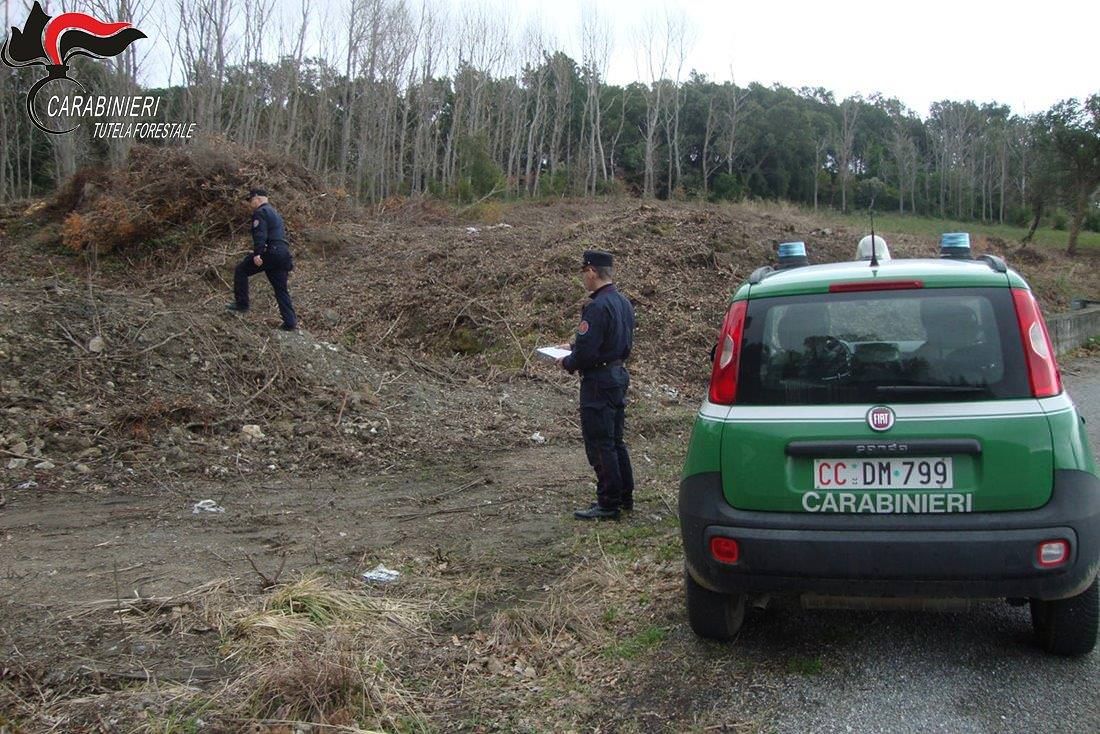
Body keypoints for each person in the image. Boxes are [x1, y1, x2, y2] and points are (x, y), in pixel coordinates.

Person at [557, 249, 636, 520]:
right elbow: (611, 339)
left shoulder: (596, 306)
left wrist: (568, 361)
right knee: (615, 440)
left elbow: (588, 352)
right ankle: (625, 496)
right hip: (617, 376)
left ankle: (608, 502)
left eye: (584, 272)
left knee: (600, 444)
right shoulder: (622, 302)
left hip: (598, 382)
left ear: (591, 271)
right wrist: (572, 345)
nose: (583, 278)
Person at [226, 187, 298, 331]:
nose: (250, 204)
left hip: (270, 252)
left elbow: (260, 233)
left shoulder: (260, 212)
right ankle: (290, 322)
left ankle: (242, 304)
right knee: (281, 289)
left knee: (241, 270)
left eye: (251, 200)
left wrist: (258, 253)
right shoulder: (275, 213)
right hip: (283, 254)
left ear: (257, 198)